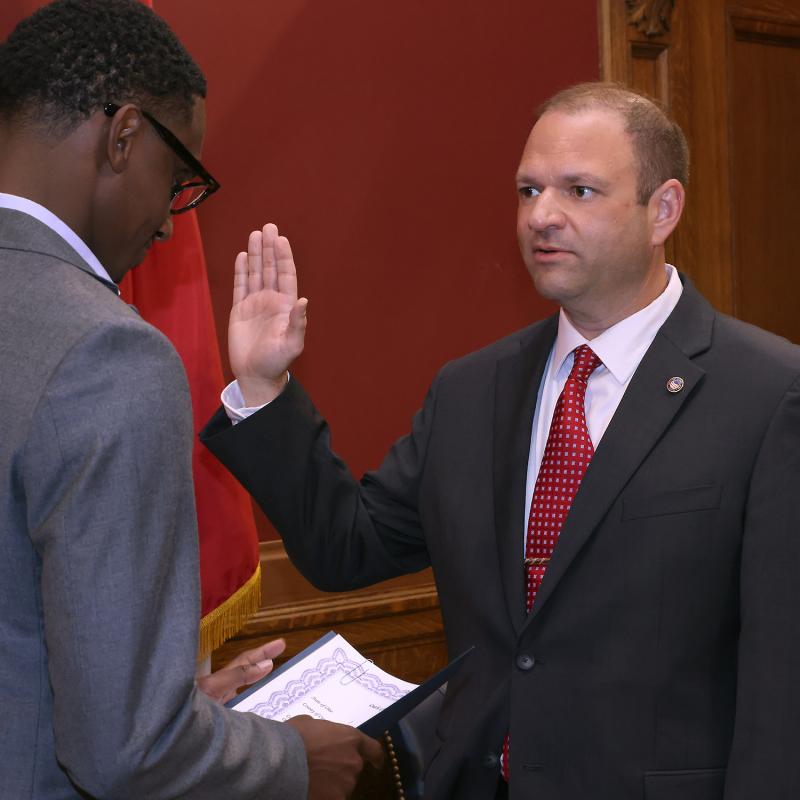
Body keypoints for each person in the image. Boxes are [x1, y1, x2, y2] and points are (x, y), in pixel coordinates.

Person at [201, 82, 800, 799]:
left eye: (579, 191)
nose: (541, 216)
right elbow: (345, 546)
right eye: (527, 190)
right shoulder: (472, 390)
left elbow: (783, 680)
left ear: (662, 209)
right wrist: (266, 389)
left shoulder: (766, 393)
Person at [0, 1, 383, 798]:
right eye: (179, 182)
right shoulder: (108, 355)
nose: (173, 229)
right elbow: (125, 753)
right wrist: (293, 761)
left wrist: (168, 710)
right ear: (123, 137)